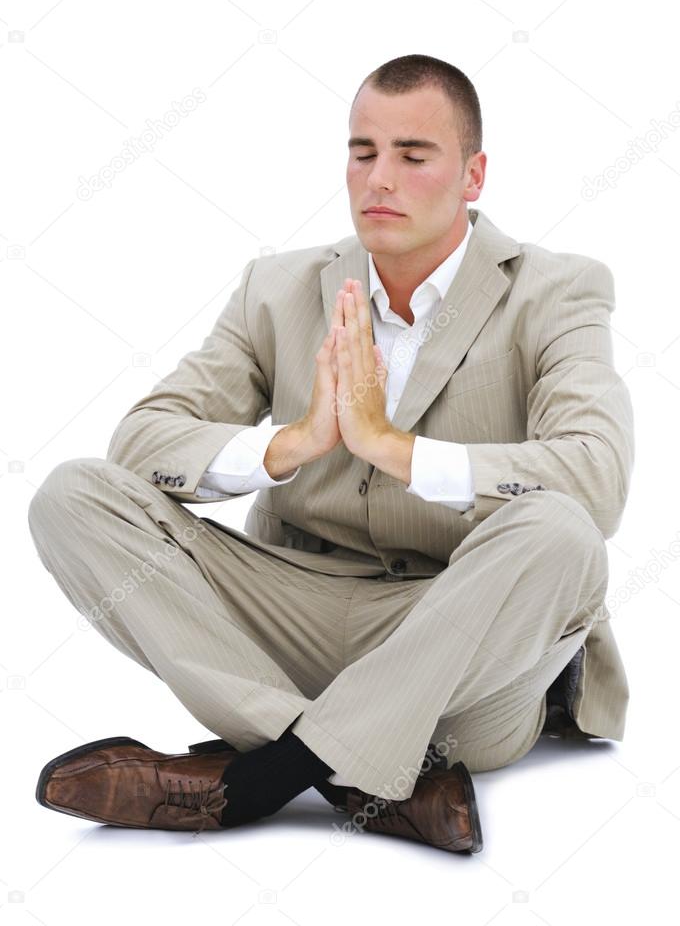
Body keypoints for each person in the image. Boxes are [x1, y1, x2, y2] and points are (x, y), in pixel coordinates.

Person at [27, 54, 634, 855]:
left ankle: (258, 782)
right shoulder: (276, 287)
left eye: (413, 156)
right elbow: (142, 444)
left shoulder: (559, 290)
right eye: (362, 152)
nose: (379, 178)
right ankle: (370, 771)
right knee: (70, 496)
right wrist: (291, 444)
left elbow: (596, 479)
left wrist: (395, 449)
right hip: (289, 615)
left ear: (473, 174)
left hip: (457, 640)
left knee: (561, 532)